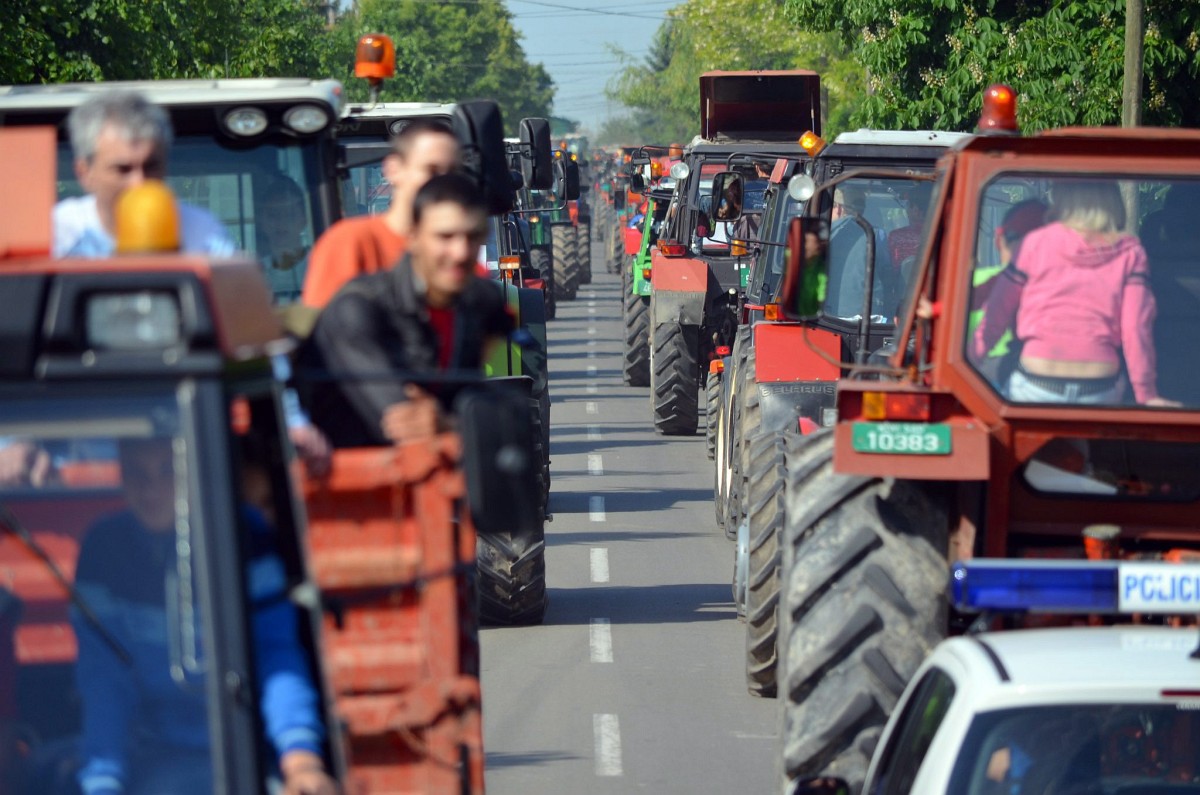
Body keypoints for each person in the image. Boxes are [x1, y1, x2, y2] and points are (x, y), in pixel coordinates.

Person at [72, 438, 336, 795]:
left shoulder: (246, 535)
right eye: (137, 473)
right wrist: (103, 781)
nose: (152, 488)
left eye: (168, 471)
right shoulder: (103, 549)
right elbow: (104, 681)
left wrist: (301, 760)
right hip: (154, 758)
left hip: (245, 751)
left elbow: (275, 656)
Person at [299, 173, 513, 447]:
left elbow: (502, 406)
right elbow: (402, 422)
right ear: (412, 236)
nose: (461, 252)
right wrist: (462, 422)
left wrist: (449, 422)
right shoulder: (357, 309)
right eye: (445, 237)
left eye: (473, 236)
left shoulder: (483, 304)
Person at [974, 179, 1172, 406]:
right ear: (1113, 201)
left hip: (1036, 382)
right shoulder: (1130, 252)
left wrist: (969, 362)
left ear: (1061, 198)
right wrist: (1146, 394)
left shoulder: (1035, 243)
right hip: (1100, 388)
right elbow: (1135, 328)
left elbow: (996, 316)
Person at [53, 91, 235, 258]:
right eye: (123, 169)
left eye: (151, 167)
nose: (138, 183)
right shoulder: (58, 236)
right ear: (85, 174)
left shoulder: (203, 235)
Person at [301, 119, 460, 309]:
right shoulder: (348, 243)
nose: (444, 183)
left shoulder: (459, 248)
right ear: (393, 169)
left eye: (452, 172)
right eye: (431, 171)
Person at [255, 173, 312, 305]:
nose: (281, 222)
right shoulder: (255, 273)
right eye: (273, 215)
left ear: (304, 219)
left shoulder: (319, 265)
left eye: (290, 214)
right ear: (262, 222)